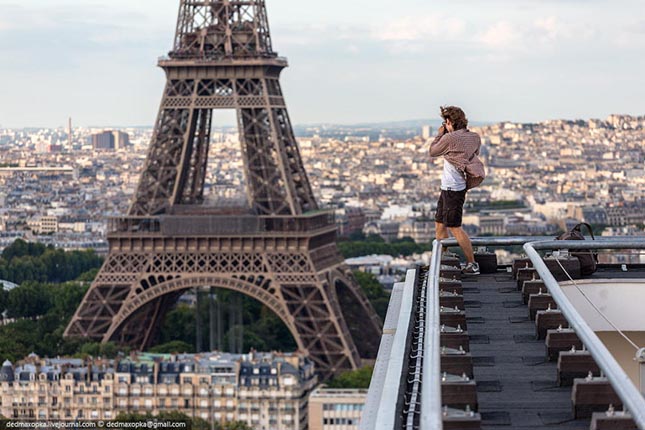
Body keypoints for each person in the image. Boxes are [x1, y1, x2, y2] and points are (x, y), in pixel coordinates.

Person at [429, 106, 482, 275]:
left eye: (446, 122)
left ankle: (472, 264)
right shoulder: (474, 137)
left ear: (449, 122)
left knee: (455, 227)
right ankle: (443, 262)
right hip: (452, 187)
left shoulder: (450, 138)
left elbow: (433, 151)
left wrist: (440, 134)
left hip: (452, 188)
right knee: (439, 224)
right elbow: (473, 154)